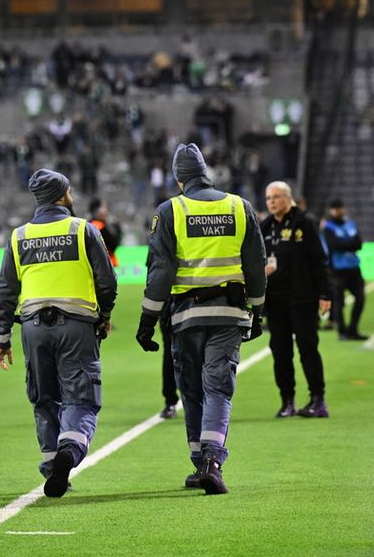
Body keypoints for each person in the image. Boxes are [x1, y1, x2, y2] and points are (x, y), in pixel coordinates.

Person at [136, 143, 266, 495]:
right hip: (229, 313)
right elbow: (256, 263)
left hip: (186, 317)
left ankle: (200, 461)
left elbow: (161, 272)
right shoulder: (240, 207)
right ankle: (212, 462)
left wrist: (147, 320)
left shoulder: (170, 211)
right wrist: (257, 310)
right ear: (207, 171)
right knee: (218, 388)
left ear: (179, 179)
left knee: (191, 390)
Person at [0, 169, 118, 499]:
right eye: (70, 191)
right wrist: (104, 315)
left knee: (43, 397)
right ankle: (69, 449)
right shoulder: (82, 229)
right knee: (81, 398)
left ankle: (52, 467)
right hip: (76, 325)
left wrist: (1, 338)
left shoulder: (19, 236)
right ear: (61, 196)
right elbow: (107, 281)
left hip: (33, 327)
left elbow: (6, 289)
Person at [262, 181, 332, 418]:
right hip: (275, 300)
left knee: (307, 348)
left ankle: (317, 399)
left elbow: (318, 260)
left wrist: (325, 294)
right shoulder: (265, 226)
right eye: (268, 198)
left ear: (287, 198)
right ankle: (287, 400)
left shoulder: (304, 222)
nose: (271, 201)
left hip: (303, 298)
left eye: (276, 197)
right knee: (280, 352)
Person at [320, 198, 367, 340]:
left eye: (340, 208)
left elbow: (359, 244)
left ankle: (353, 329)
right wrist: (349, 243)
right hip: (337, 269)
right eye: (335, 208)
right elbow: (334, 245)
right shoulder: (328, 227)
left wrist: (345, 243)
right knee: (339, 302)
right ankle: (342, 332)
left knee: (360, 298)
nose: (338, 211)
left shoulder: (350, 224)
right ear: (331, 210)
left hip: (353, 267)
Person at [89, 197, 122, 267]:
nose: (106, 210)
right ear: (96, 210)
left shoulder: (89, 225)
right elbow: (113, 245)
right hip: (104, 265)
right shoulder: (99, 227)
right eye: (104, 207)